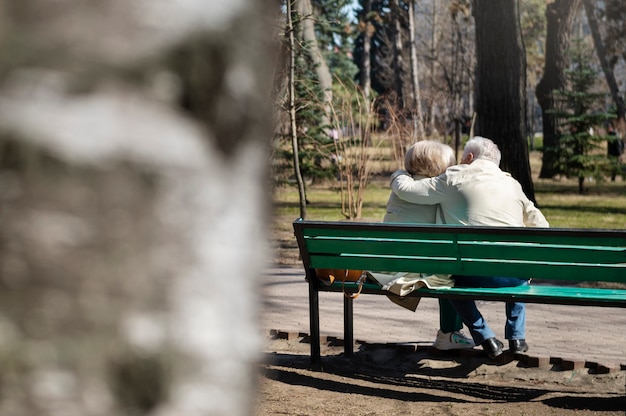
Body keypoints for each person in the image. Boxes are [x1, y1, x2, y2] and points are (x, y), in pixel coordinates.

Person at [390, 136, 549, 359]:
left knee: (450, 281)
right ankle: (517, 337)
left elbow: (409, 191)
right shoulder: (513, 184)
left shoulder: (454, 178)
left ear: (470, 158)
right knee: (519, 271)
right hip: (512, 277)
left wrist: (399, 175)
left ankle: (484, 336)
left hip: (473, 274)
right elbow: (541, 225)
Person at [382, 140, 474, 351]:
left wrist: (396, 174)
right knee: (453, 276)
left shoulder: (401, 185)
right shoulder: (439, 189)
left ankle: (450, 334)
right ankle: (449, 334)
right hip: (415, 270)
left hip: (387, 265)